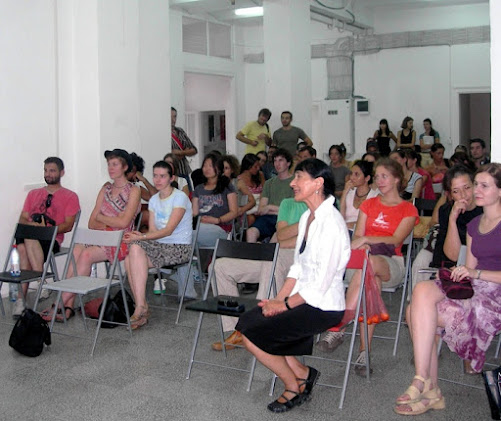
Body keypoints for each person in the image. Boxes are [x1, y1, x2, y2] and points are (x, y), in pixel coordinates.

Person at [236, 158, 350, 413]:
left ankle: (293, 386)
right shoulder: (308, 217)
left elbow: (319, 285)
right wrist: (279, 299)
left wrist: (284, 305)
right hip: (302, 298)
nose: (293, 183)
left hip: (323, 305)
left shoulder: (331, 224)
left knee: (252, 334)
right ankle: (303, 373)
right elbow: (298, 267)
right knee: (250, 322)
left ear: (318, 183)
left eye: (299, 178)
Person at [394, 163, 501, 416]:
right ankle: (423, 381)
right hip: (476, 287)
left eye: (483, 186)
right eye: (477, 185)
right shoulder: (474, 225)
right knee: (421, 293)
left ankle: (430, 389)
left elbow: (475, 272)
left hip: (495, 293)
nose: (476, 191)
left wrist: (474, 273)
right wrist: (465, 273)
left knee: (414, 314)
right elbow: (465, 266)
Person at [332, 159, 418, 373]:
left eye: (384, 176)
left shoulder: (408, 209)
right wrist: (363, 241)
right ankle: (364, 353)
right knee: (370, 281)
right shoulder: (368, 204)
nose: (379, 180)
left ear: (397, 179)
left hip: (391, 264)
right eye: (377, 176)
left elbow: (396, 240)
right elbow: (357, 237)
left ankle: (341, 323)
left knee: (369, 266)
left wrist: (366, 239)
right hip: (364, 266)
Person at [40, 149, 141, 322]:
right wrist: (111, 221)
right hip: (99, 237)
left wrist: (103, 219)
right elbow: (92, 223)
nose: (110, 168)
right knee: (76, 250)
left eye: (115, 164)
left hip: (120, 240)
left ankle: (59, 304)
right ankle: (68, 307)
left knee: (86, 254)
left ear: (125, 167)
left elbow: (124, 223)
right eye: (109, 164)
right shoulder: (106, 189)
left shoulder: (133, 190)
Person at [211, 197, 308, 351]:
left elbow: (309, 242)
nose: (293, 185)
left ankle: (254, 327)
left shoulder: (326, 204)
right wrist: (306, 223)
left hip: (302, 259)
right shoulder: (287, 203)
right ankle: (237, 329)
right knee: (220, 266)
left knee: (273, 260)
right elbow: (281, 235)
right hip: (275, 252)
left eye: (299, 181)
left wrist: (282, 241)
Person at [123, 161, 194, 329]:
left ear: (172, 178)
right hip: (160, 246)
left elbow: (168, 230)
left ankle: (141, 307)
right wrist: (141, 236)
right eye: (155, 175)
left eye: (162, 176)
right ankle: (141, 306)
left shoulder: (180, 198)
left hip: (179, 248)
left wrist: (142, 236)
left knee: (134, 250)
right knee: (130, 255)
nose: (158, 180)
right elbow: (154, 231)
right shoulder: (154, 199)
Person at [14, 157, 80, 318]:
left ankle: (22, 298)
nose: (48, 174)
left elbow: (68, 225)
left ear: (61, 173)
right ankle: (39, 284)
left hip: (51, 239)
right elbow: (23, 218)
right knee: (24, 244)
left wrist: (47, 230)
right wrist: (34, 225)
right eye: (45, 170)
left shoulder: (70, 196)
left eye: (52, 170)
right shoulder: (33, 194)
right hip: (31, 235)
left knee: (24, 246)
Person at [411, 165, 483, 288]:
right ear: (450, 195)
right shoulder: (446, 210)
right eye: (456, 191)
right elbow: (450, 253)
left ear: (475, 186)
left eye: (467, 188)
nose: (463, 195)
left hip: (478, 260)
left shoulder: (486, 209)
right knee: (421, 262)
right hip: (451, 256)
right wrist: (452, 219)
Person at [246, 148, 294, 243]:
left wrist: (269, 207)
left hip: (286, 219)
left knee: (276, 237)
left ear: (288, 163)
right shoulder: (269, 183)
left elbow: (292, 211)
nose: (277, 164)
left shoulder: (295, 182)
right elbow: (261, 209)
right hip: (268, 218)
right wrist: (277, 210)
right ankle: (253, 252)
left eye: (281, 160)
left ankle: (267, 249)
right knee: (250, 232)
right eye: (275, 161)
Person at [192, 154, 238, 250]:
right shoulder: (198, 189)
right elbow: (194, 213)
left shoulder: (227, 186)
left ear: (219, 168)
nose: (207, 168)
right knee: (186, 233)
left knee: (187, 235)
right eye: (205, 165)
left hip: (221, 228)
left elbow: (234, 212)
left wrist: (217, 220)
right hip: (201, 227)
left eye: (211, 165)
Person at [339, 160, 379, 231]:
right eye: (351, 174)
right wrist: (344, 192)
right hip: (345, 230)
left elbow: (371, 222)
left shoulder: (375, 196)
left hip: (363, 232)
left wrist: (350, 225)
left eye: (356, 174)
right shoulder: (349, 193)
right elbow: (341, 217)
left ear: (367, 178)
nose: (352, 177)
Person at [171, 107, 198, 187]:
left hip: (184, 171)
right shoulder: (163, 133)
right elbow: (171, 154)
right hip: (173, 173)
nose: (173, 120)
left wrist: (180, 152)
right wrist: (186, 152)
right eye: (170, 117)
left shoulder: (180, 131)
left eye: (174, 117)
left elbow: (194, 150)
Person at [235, 154, 262, 226]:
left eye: (259, 166)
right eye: (255, 166)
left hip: (260, 206)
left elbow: (265, 191)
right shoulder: (239, 181)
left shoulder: (260, 176)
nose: (258, 168)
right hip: (247, 209)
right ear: (248, 166)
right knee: (250, 219)